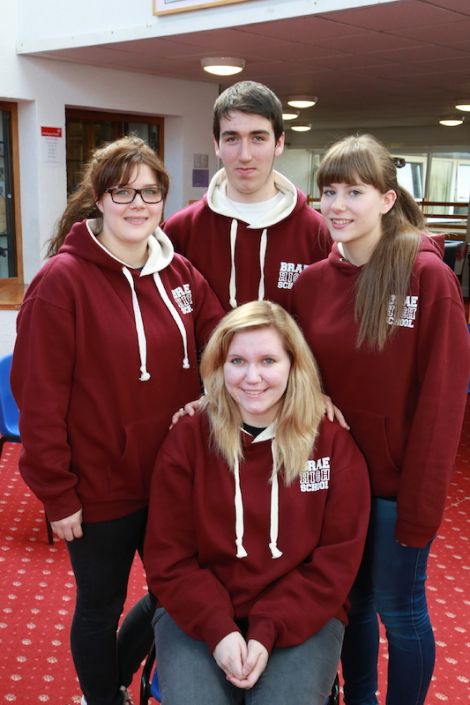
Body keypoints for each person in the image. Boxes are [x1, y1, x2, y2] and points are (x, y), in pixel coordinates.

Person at [11, 136, 224, 705]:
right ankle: (103, 698)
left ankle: (109, 684)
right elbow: (38, 399)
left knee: (175, 594)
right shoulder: (62, 282)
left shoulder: (180, 274)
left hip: (175, 479)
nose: (138, 204)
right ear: (99, 199)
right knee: (99, 606)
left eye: (150, 192)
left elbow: (224, 348)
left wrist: (210, 400)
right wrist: (57, 494)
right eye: (123, 191)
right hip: (99, 488)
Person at [290, 134, 470, 705]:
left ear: (388, 200)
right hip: (332, 482)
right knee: (352, 606)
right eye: (329, 192)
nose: (337, 206)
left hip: (395, 487)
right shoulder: (314, 282)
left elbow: (443, 405)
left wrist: (420, 504)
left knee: (401, 609)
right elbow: (297, 372)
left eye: (355, 191)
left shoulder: (426, 278)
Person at [144, 300, 371, 705]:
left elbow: (336, 563)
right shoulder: (188, 438)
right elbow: (170, 559)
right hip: (197, 610)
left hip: (304, 614)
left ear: (293, 366)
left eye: (268, 360)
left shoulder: (332, 443)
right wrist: (219, 629)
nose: (252, 378)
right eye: (237, 361)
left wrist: (267, 628)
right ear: (218, 366)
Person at [163, 80, 331, 312]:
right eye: (232, 138)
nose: (245, 155)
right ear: (217, 145)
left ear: (279, 143)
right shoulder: (181, 230)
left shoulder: (318, 233)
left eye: (258, 138)